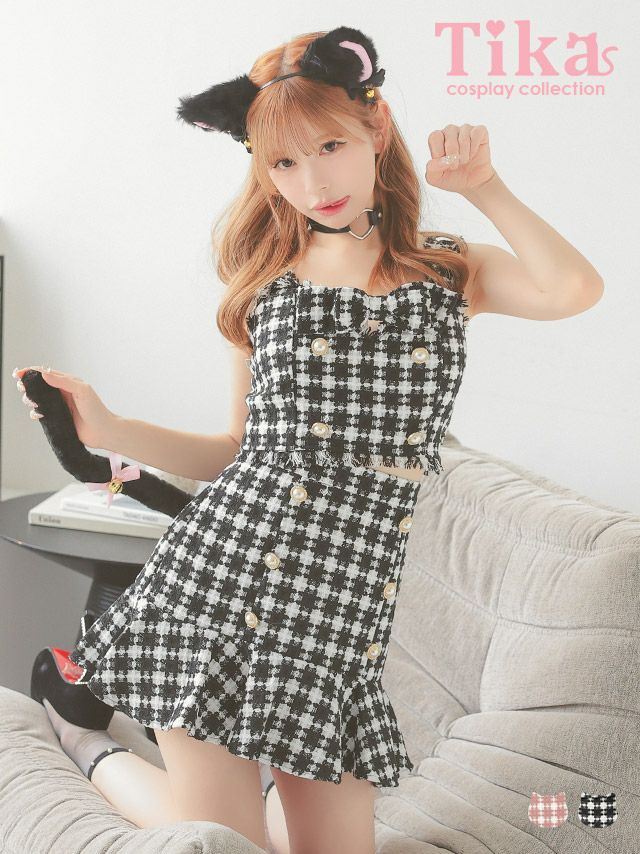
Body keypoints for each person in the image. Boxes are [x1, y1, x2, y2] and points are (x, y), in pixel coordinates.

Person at [17, 24, 604, 854]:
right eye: (284, 163)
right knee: (223, 844)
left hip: (335, 623)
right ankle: (89, 744)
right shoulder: (264, 285)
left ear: (376, 127)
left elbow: (573, 289)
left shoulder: (446, 270)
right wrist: (109, 428)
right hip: (217, 587)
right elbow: (235, 450)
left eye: (329, 146)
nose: (313, 181)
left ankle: (92, 737)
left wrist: (484, 186)